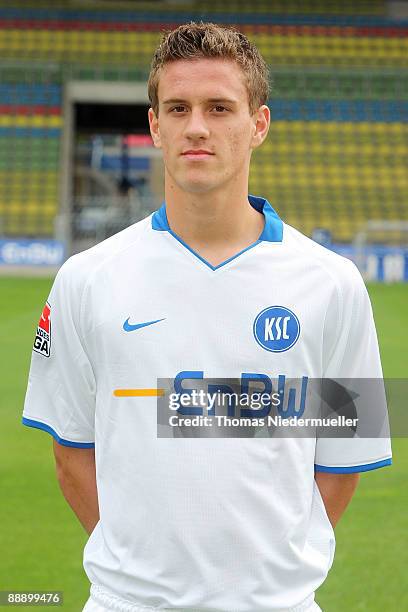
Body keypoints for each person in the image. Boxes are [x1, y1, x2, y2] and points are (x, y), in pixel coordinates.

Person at [22, 22, 392, 612]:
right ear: (155, 126)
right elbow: (71, 451)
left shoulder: (336, 284)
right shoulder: (85, 279)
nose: (197, 126)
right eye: (178, 108)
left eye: (220, 107)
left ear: (258, 124)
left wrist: (267, 576)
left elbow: (344, 459)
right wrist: (141, 576)